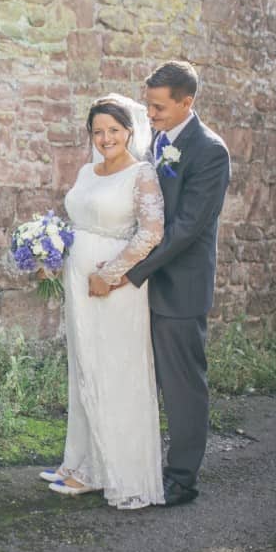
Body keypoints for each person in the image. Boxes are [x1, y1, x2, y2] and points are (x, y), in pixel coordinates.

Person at [40, 93, 166, 509]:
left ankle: (105, 472)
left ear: (129, 131)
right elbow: (77, 222)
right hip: (79, 286)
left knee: (112, 374)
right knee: (84, 370)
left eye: (113, 130)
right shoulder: (86, 170)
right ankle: (78, 461)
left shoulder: (141, 174)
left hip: (113, 290)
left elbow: (151, 233)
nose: (106, 138)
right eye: (98, 131)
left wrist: (109, 276)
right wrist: (50, 254)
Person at [114, 61, 231, 507]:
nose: (151, 114)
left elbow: (186, 229)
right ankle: (136, 465)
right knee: (140, 381)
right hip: (143, 283)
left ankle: (181, 477)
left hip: (179, 288)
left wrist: (130, 269)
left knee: (182, 386)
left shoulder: (210, 151)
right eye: (148, 104)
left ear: (188, 102)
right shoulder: (157, 141)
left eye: (159, 107)